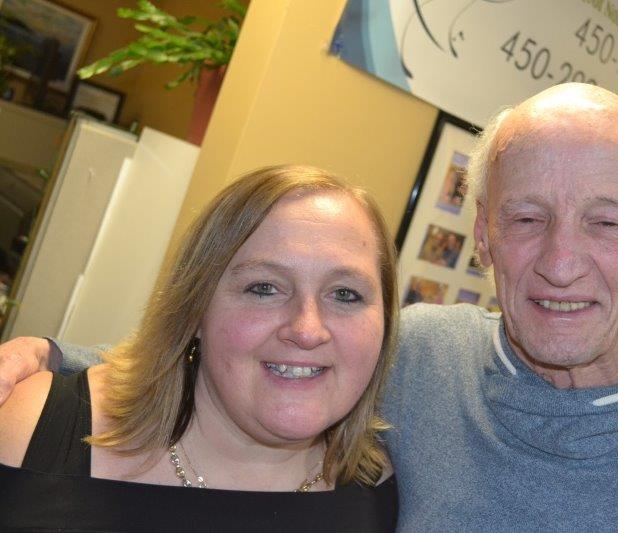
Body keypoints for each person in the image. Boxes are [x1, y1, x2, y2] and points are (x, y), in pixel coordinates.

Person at [1, 84, 618, 531]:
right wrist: (49, 353)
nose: (561, 261)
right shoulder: (419, 352)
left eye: (607, 222)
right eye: (526, 218)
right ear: (483, 235)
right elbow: (250, 357)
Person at [0, 165, 399, 531]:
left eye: (345, 294)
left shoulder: (379, 493)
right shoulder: (28, 428)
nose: (307, 331)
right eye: (263, 288)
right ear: (193, 309)